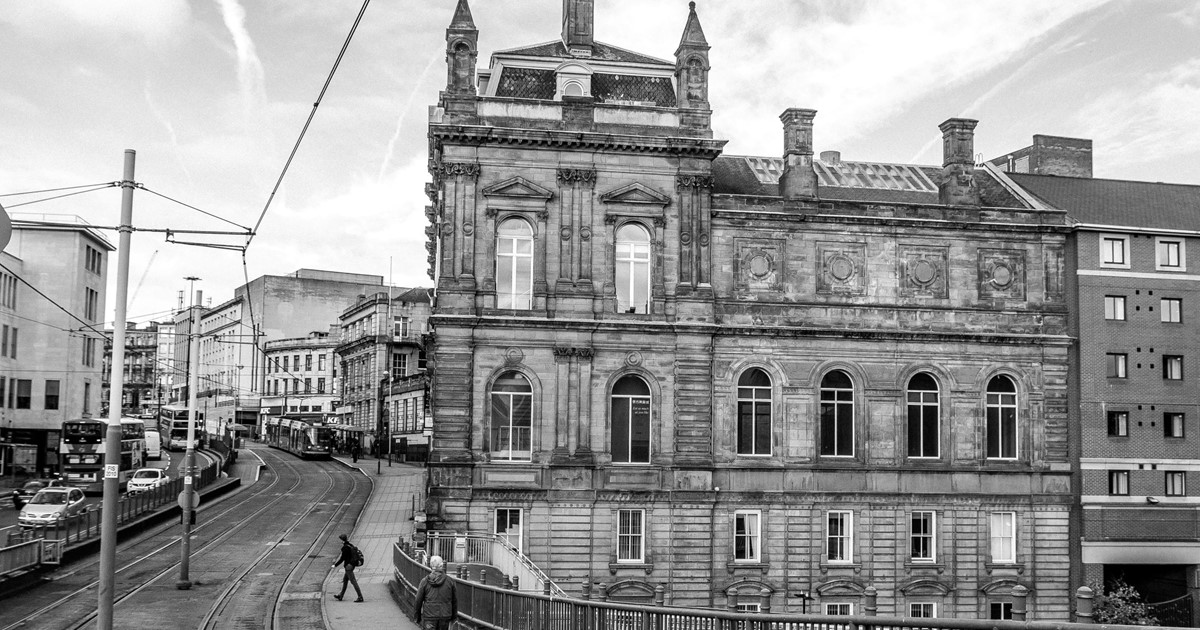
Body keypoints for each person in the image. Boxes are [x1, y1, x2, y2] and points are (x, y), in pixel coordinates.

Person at [413, 555, 457, 629]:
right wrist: (453, 617)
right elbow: (454, 601)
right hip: (445, 616)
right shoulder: (450, 582)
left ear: (430, 566)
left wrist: (417, 617)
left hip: (429, 617)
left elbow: (418, 600)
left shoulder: (424, 582)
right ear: (442, 566)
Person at [330, 533, 364, 602]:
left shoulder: (345, 548)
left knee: (353, 581)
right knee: (345, 580)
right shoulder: (350, 545)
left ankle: (360, 597)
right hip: (352, 565)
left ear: (342, 540)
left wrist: (335, 565)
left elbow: (342, 558)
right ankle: (341, 595)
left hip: (349, 567)